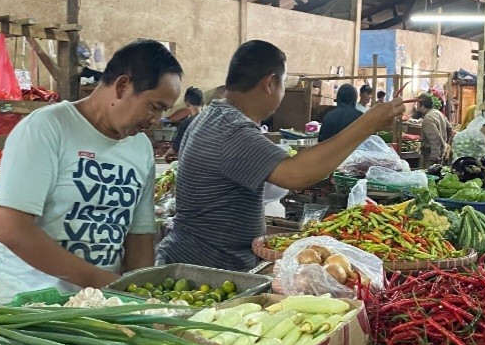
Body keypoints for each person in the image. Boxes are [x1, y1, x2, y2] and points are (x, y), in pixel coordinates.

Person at [158, 41, 404, 271]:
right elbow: (297, 175)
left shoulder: (211, 117)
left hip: (196, 257)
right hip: (210, 267)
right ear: (269, 83)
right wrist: (367, 124)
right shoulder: (232, 129)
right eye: (284, 83)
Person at [0, 40, 182, 305]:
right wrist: (104, 282)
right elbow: (12, 228)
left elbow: (139, 236)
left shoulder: (140, 147)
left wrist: (139, 296)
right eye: (154, 107)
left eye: (164, 111)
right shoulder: (47, 128)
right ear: (122, 86)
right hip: (23, 302)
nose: (156, 120)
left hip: (93, 305)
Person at [164, 86, 204, 162]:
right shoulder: (211, 121)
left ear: (187, 104)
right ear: (202, 103)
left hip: (190, 164)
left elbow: (174, 149)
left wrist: (166, 156)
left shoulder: (187, 123)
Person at [417, 93, 449, 167]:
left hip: (431, 153)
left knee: (430, 175)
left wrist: (434, 157)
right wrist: (445, 144)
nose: (417, 105)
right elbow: (450, 129)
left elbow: (435, 138)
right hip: (440, 151)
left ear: (423, 105)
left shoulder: (428, 118)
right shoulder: (438, 113)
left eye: (418, 103)